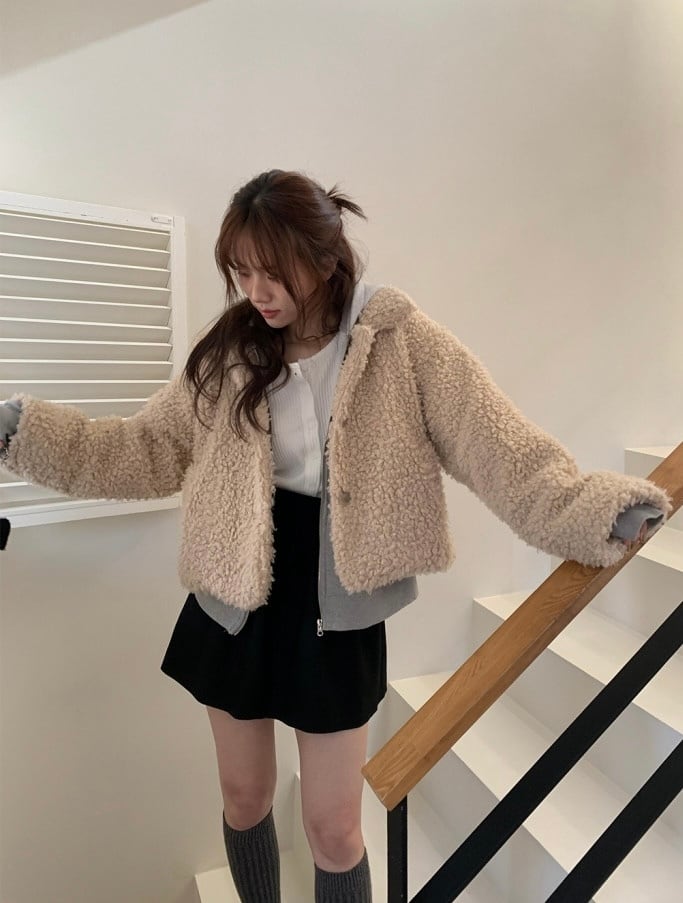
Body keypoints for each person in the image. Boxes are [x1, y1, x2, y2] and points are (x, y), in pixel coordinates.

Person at [0, 170, 670, 903]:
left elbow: (495, 443)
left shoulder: (398, 339)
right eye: (242, 271)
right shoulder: (229, 353)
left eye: (273, 270)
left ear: (324, 258)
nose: (256, 291)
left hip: (336, 595)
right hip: (236, 585)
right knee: (244, 797)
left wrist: (586, 511)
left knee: (335, 830)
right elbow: (141, 449)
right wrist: (22, 433)